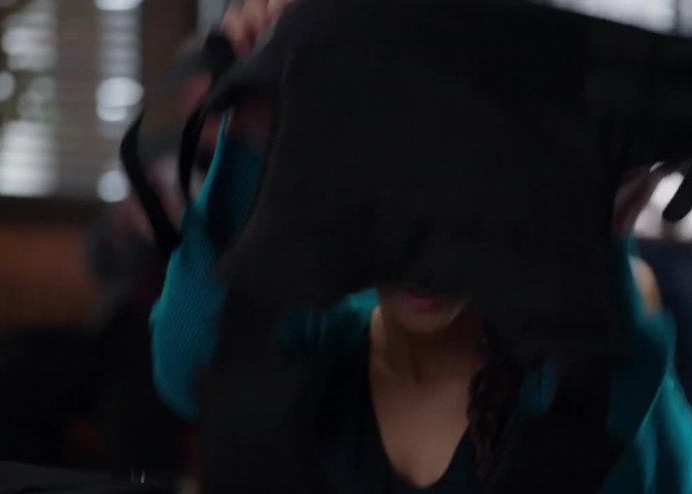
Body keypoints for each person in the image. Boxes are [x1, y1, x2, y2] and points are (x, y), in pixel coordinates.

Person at [149, 1, 692, 492]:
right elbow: (192, 372)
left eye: (452, 206)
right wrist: (253, 131)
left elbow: (607, 431)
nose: (421, 258)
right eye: (393, 205)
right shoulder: (323, 352)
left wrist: (595, 228)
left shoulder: (568, 375)